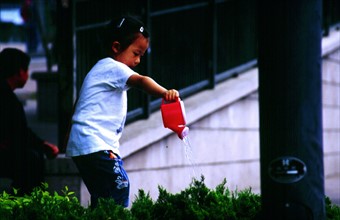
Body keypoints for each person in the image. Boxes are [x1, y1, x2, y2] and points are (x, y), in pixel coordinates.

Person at [66, 16, 179, 208]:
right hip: (96, 143)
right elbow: (142, 81)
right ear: (116, 47)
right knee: (118, 186)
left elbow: (79, 105)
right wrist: (165, 93)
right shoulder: (113, 67)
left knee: (104, 195)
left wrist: (68, 136)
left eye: (142, 55)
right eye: (136, 53)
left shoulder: (99, 70)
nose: (138, 60)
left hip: (86, 144)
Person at [0, 48, 59, 195]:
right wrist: (43, 146)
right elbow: (19, 133)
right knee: (31, 160)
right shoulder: (8, 99)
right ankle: (26, 204)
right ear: (20, 72)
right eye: (26, 70)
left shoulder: (6, 96)